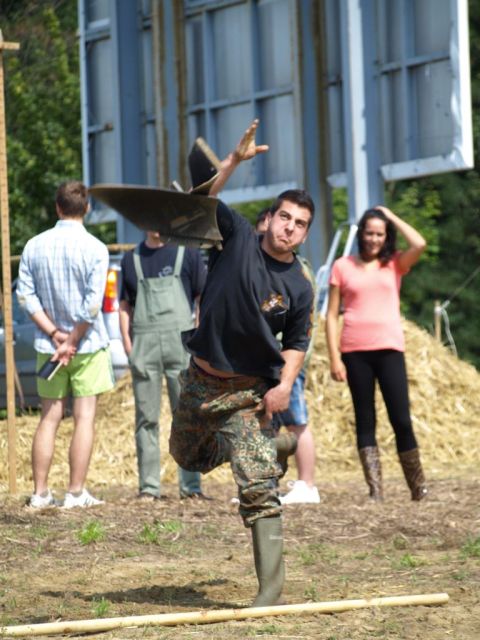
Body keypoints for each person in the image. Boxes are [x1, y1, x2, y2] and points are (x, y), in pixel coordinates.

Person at [169, 120, 315, 607]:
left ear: (304, 234)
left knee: (257, 487)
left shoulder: (299, 287)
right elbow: (200, 203)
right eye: (285, 217)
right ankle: (276, 445)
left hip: (247, 392)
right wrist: (232, 161)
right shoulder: (235, 237)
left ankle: (269, 591)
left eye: (300, 224)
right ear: (269, 219)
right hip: (200, 380)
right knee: (187, 458)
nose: (289, 227)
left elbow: (297, 342)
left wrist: (284, 386)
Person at [17, 180, 114, 509]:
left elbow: (25, 296)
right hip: (87, 345)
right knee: (84, 417)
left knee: (49, 417)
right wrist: (71, 340)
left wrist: (55, 334)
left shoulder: (33, 246)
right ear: (86, 208)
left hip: (49, 346)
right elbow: (92, 305)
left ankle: (40, 492)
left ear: (57, 207)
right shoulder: (96, 248)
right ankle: (75, 493)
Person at [325, 205, 428, 501]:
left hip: (390, 350)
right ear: (361, 234)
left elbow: (420, 243)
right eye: (369, 233)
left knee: (401, 419)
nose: (373, 239)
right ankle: (376, 490)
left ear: (387, 236)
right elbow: (331, 315)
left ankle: (418, 488)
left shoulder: (395, 263)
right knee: (365, 419)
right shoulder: (342, 266)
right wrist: (334, 357)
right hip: (354, 351)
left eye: (380, 234)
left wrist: (390, 216)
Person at [119, 231, 210, 501]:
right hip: (144, 344)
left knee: (186, 415)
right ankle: (148, 487)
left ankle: (191, 487)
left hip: (180, 342)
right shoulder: (131, 258)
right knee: (146, 418)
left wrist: (199, 335)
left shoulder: (188, 253)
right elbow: (124, 305)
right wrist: (127, 344)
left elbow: (201, 299)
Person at [255, 209, 320, 505]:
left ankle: (307, 484)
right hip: (261, 360)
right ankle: (263, 486)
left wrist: (294, 364)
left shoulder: (299, 272)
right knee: (265, 423)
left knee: (296, 421)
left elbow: (303, 325)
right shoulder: (257, 266)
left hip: (288, 360)